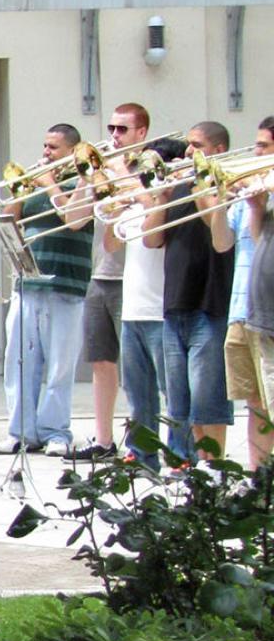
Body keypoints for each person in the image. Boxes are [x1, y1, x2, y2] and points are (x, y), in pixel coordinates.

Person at [0, 124, 89, 457]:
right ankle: (21, 431)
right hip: (28, 282)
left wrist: (50, 185)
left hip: (66, 284)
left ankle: (56, 432)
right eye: (45, 146)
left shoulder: (85, 180)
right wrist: (18, 194)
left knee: (59, 366)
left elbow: (74, 218)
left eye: (53, 148)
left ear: (72, 151)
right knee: (19, 360)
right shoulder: (34, 184)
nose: (45, 153)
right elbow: (9, 221)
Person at [106, 137, 187, 466]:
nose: (140, 173)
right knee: (139, 396)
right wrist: (115, 202)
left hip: (161, 311)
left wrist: (135, 188)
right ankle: (143, 455)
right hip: (133, 309)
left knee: (174, 393)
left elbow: (155, 238)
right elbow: (111, 244)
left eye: (147, 168)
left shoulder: (171, 204)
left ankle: (182, 455)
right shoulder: (136, 203)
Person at [74, 102, 147, 460]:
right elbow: (73, 220)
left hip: (132, 279)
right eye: (112, 128)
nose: (114, 136)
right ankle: (104, 441)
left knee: (135, 370)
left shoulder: (147, 168)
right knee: (101, 362)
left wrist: (117, 171)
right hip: (99, 275)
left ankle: (141, 444)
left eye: (122, 130)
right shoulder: (101, 170)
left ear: (141, 134)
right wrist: (85, 179)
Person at [169, 121, 239, 460]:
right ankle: (197, 468)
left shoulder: (227, 185)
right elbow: (153, 239)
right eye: (187, 145)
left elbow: (216, 227)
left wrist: (200, 180)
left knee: (208, 401)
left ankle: (215, 468)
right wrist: (155, 192)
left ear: (218, 150)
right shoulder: (180, 186)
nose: (187, 152)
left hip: (210, 302)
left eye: (196, 145)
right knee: (183, 401)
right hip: (175, 301)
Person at [225, 117, 274, 467]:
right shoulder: (265, 194)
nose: (255, 152)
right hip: (258, 312)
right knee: (260, 400)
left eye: (263, 146)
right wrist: (255, 208)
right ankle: (261, 479)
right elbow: (260, 245)